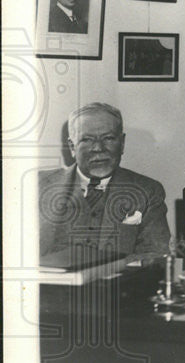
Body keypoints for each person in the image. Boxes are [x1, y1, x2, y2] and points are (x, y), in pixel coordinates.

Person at [38, 102, 170, 265]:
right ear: (72, 147)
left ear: (122, 143)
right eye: (86, 140)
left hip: (116, 288)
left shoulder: (148, 191)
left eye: (108, 138)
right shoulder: (37, 186)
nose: (98, 148)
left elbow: (156, 256)